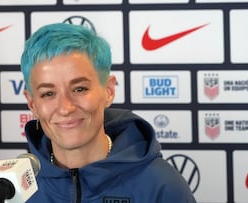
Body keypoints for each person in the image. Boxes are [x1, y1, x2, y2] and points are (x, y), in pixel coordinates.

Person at [20, 23, 196, 203]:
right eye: (48, 94)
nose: (65, 108)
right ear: (32, 103)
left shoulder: (161, 185)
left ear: (109, 91)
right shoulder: (14, 189)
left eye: (79, 89)